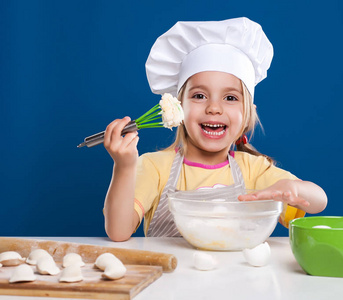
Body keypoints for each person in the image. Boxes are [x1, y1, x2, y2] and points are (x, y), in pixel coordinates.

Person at [103, 17, 327, 242]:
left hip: (237, 276)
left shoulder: (253, 170)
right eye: (199, 96)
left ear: (248, 113)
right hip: (173, 276)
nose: (213, 108)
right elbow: (118, 231)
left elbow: (319, 201)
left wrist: (293, 189)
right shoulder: (155, 167)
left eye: (230, 97)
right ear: (179, 108)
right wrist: (124, 167)